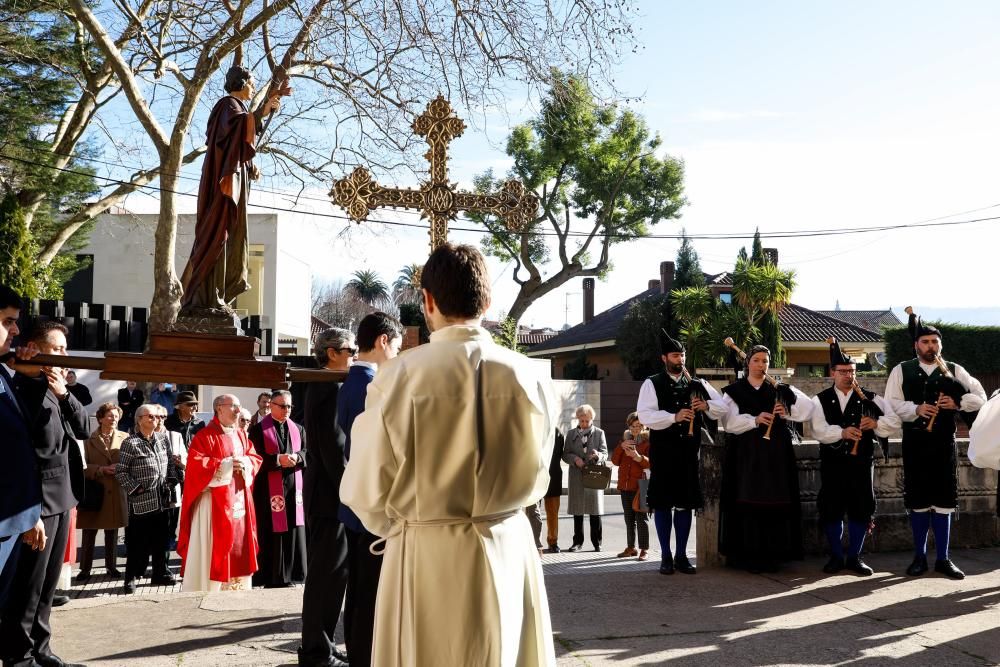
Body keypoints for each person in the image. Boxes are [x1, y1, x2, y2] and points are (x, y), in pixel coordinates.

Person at [340, 244, 557, 666]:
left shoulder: (398, 375)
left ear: (428, 301)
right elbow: (541, 474)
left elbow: (364, 488)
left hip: (425, 554)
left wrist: (412, 522)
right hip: (506, 546)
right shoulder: (529, 375)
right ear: (488, 300)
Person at [1, 320, 88, 667]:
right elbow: (28, 453)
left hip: (63, 496)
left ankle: (41, 648)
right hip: (37, 500)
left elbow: (82, 426)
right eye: (57, 349)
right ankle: (19, 656)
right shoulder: (22, 386)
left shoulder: (61, 386)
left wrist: (65, 394)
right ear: (34, 348)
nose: (64, 356)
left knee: (48, 586)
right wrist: (30, 510)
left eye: (65, 349)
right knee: (28, 587)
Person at [884, 310, 986, 579]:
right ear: (917, 344)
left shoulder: (954, 369)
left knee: (944, 499)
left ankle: (943, 558)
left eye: (934, 342)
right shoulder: (901, 369)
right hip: (915, 442)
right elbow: (890, 403)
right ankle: (919, 557)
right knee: (918, 499)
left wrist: (957, 403)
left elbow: (980, 396)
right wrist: (916, 409)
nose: (931, 346)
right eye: (925, 341)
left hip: (943, 442)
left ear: (940, 345)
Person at [178, 66, 284, 315]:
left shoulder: (238, 110)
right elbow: (232, 134)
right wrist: (262, 111)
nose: (253, 88)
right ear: (241, 82)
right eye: (252, 83)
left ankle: (217, 295)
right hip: (221, 192)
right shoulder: (227, 105)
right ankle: (207, 297)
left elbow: (235, 148)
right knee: (218, 236)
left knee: (229, 237)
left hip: (233, 187)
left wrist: (249, 165)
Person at [337, 313, 401, 667]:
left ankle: (360, 653)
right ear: (382, 341)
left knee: (360, 589)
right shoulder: (369, 385)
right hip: (371, 502)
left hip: (356, 500)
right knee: (369, 592)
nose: (396, 354)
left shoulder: (353, 380)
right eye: (396, 346)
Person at [716, 344, 813, 573]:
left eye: (765, 361)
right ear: (748, 362)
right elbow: (729, 424)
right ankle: (748, 556)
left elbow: (808, 409)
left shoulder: (778, 387)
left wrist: (786, 412)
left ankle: (774, 556)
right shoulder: (735, 390)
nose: (761, 365)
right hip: (746, 454)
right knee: (747, 498)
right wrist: (754, 420)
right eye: (757, 360)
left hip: (776, 453)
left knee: (775, 497)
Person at [809, 338, 901, 576]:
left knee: (861, 507)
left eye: (851, 371)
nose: (848, 375)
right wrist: (842, 432)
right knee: (832, 508)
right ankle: (837, 556)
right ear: (833, 373)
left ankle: (855, 557)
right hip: (833, 462)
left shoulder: (870, 398)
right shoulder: (819, 400)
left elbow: (893, 422)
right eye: (843, 371)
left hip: (861, 462)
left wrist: (875, 422)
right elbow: (818, 429)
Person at [636, 331, 722, 575]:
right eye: (675, 355)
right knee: (662, 504)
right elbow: (645, 416)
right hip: (663, 452)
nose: (680, 359)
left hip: (687, 452)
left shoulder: (696, 383)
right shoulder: (652, 383)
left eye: (683, 355)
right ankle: (665, 556)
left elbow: (722, 407)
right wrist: (674, 417)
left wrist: (705, 405)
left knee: (685, 504)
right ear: (664, 358)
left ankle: (682, 556)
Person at [299, 327, 355, 667]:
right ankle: (317, 653)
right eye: (350, 350)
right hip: (330, 497)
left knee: (333, 575)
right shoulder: (329, 387)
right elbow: (334, 448)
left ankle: (323, 646)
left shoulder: (325, 385)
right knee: (326, 575)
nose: (354, 355)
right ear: (331, 353)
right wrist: (352, 490)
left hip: (328, 495)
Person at [178, 394, 262, 592]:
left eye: (239, 406)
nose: (238, 411)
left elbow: (254, 456)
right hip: (213, 504)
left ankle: (236, 588)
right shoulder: (204, 436)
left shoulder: (241, 434)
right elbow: (196, 467)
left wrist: (246, 463)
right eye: (233, 406)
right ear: (219, 409)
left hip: (239, 502)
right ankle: (209, 589)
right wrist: (226, 465)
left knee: (239, 543)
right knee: (214, 547)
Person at [0, 285, 41, 610]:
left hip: (11, 521)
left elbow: (20, 438)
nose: (15, 330)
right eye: (7, 321)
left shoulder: (3, 370)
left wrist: (29, 513)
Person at [115, 403, 179, 593]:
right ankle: (131, 578)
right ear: (139, 420)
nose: (155, 419)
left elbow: (170, 463)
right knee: (137, 543)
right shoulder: (130, 442)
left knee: (161, 541)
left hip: (163, 500)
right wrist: (137, 489)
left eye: (157, 417)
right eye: (150, 416)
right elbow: (121, 472)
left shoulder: (162, 439)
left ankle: (159, 574)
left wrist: (171, 480)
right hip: (141, 502)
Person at [249, 390, 307, 588]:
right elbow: (254, 458)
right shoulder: (257, 431)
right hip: (268, 491)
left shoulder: (299, 429)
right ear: (271, 406)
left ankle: (291, 575)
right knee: (271, 532)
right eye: (282, 406)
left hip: (293, 490)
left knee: (292, 530)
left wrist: (298, 458)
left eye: (289, 406)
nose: (286, 410)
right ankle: (270, 576)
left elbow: (308, 452)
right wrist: (276, 460)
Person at [77, 403, 129, 582]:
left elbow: (132, 462)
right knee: (89, 532)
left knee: (112, 531)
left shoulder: (126, 437)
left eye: (116, 416)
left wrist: (120, 468)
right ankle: (85, 569)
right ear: (100, 418)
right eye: (109, 416)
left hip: (116, 490)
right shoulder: (87, 440)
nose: (113, 419)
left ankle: (111, 567)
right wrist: (100, 469)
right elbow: (81, 466)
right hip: (94, 491)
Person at [563, 404, 609, 552]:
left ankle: (597, 543)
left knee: (595, 510)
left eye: (587, 421)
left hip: (594, 475)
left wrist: (598, 456)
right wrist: (575, 459)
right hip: (577, 475)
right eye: (581, 420)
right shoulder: (570, 434)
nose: (584, 423)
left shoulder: (599, 433)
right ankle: (577, 542)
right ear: (578, 419)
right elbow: (565, 454)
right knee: (578, 510)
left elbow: (605, 453)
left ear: (592, 419)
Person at [610, 413, 651, 561]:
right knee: (629, 519)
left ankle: (644, 549)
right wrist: (621, 447)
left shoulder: (647, 442)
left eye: (639, 426)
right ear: (629, 426)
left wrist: (637, 456)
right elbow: (615, 461)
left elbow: (650, 463)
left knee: (642, 519)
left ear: (644, 426)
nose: (636, 429)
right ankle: (631, 547)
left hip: (642, 485)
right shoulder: (624, 440)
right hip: (625, 486)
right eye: (633, 426)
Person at [542, 428, 565, 553]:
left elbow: (561, 454)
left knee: (553, 513)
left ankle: (553, 541)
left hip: (554, 476)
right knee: (532, 513)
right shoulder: (535, 426)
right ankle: (534, 542)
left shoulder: (558, 433)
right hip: (536, 475)